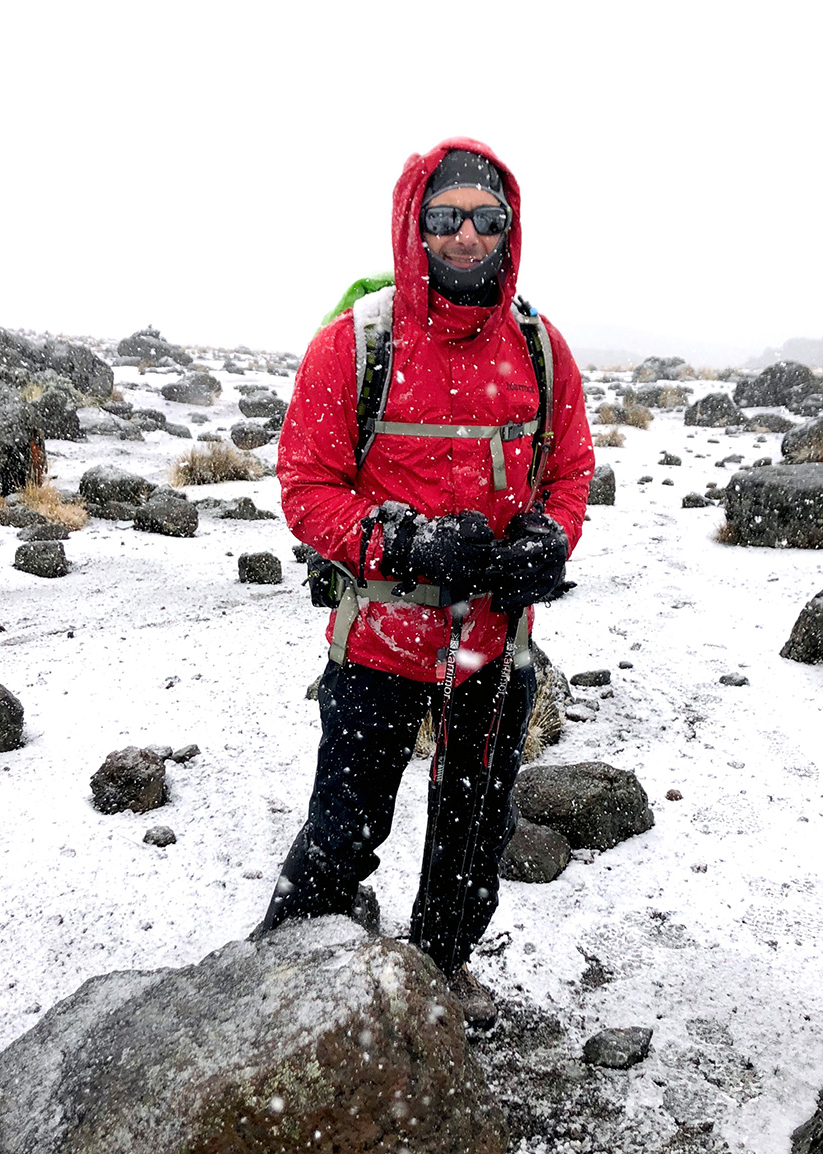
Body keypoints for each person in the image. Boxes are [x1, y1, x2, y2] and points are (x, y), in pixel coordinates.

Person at [253, 138, 594, 1027]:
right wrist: (398, 542)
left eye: (488, 219)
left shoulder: (540, 347)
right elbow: (306, 488)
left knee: (474, 834)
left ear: (509, 228)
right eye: (446, 219)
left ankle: (439, 978)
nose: (468, 237)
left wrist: (549, 538)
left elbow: (571, 470)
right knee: (343, 831)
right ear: (417, 225)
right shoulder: (354, 345)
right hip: (377, 645)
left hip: (494, 642)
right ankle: (284, 996)